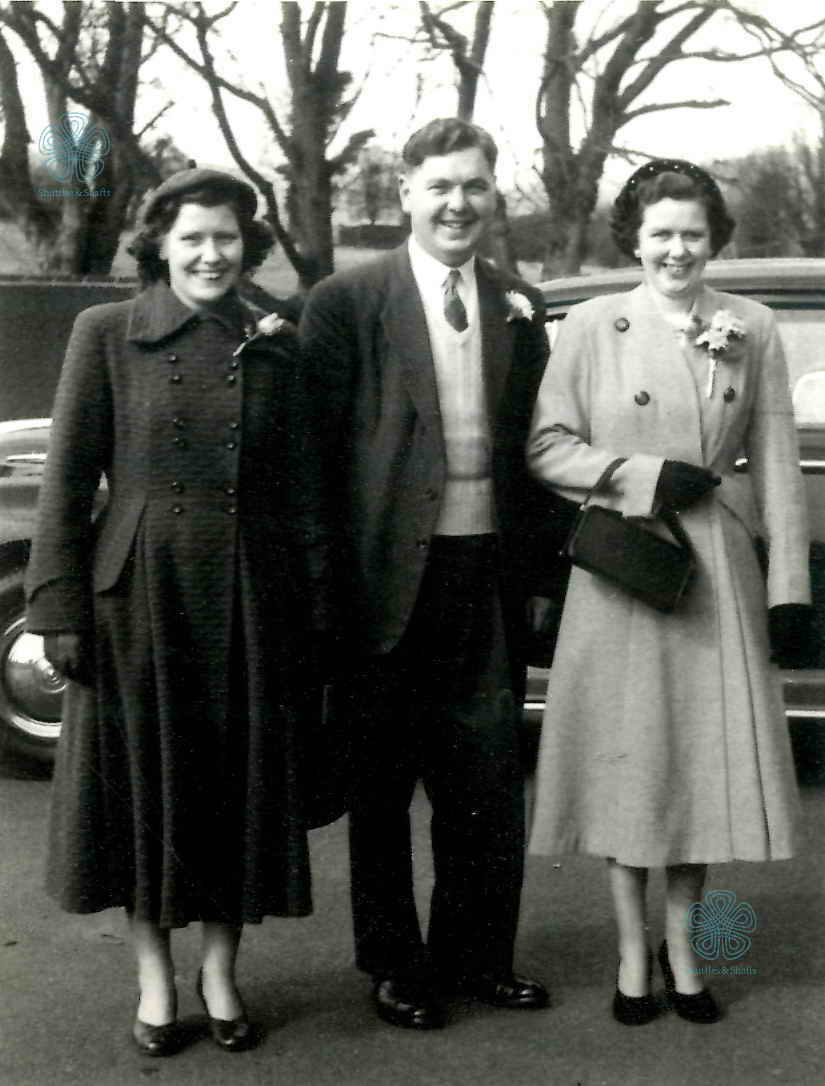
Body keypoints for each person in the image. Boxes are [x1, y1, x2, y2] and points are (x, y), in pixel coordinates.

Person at [25, 167, 334, 1056]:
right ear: (160, 244)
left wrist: (315, 609)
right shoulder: (106, 331)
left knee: (233, 791)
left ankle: (221, 973)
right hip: (138, 598)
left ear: (248, 247)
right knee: (144, 795)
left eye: (226, 237)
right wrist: (58, 607)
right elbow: (67, 479)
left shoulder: (275, 342)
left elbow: (303, 491)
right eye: (192, 237)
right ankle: (156, 980)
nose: (210, 254)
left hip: (250, 597)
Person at [527, 158, 812, 1026]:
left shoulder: (749, 324)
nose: (676, 250)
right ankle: (629, 952)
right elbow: (546, 446)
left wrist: (787, 591)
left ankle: (686, 950)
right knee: (629, 768)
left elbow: (777, 464)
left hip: (712, 571)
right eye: (660, 234)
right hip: (623, 566)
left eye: (692, 233)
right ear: (633, 239)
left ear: (713, 238)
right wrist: (643, 476)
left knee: (695, 769)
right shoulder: (590, 324)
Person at [299, 118, 555, 1030]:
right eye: (439, 186)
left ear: (494, 196)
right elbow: (313, 461)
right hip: (380, 585)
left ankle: (476, 954)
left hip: (483, 577)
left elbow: (533, 454)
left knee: (484, 783)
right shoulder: (345, 301)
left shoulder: (518, 304)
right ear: (405, 192)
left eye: (474, 186)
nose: (457, 203)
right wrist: (324, 593)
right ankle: (394, 964)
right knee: (381, 788)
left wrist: (537, 577)